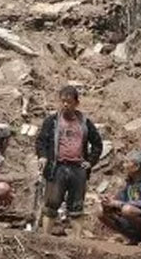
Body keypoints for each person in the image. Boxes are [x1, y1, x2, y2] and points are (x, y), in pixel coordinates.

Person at [36, 85, 103, 237]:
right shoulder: (52, 121)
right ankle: (45, 237)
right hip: (57, 167)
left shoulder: (85, 123)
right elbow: (41, 141)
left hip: (78, 168)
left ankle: (77, 241)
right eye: (63, 101)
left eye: (69, 102)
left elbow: (97, 143)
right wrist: (43, 156)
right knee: (51, 204)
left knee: (76, 206)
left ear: (76, 103)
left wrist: (90, 161)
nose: (65, 105)